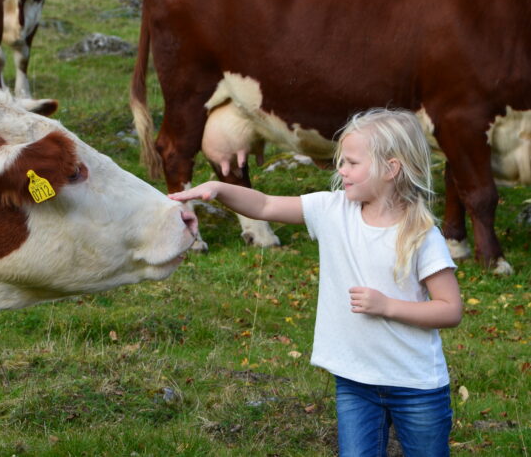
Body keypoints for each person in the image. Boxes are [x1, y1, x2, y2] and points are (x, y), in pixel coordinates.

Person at [169, 108, 462, 457]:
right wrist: (219, 188)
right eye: (342, 161)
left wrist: (388, 307)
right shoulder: (332, 210)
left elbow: (450, 309)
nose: (341, 170)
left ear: (391, 168)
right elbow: (263, 205)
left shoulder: (421, 234)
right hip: (355, 383)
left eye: (352, 163)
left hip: (417, 387)